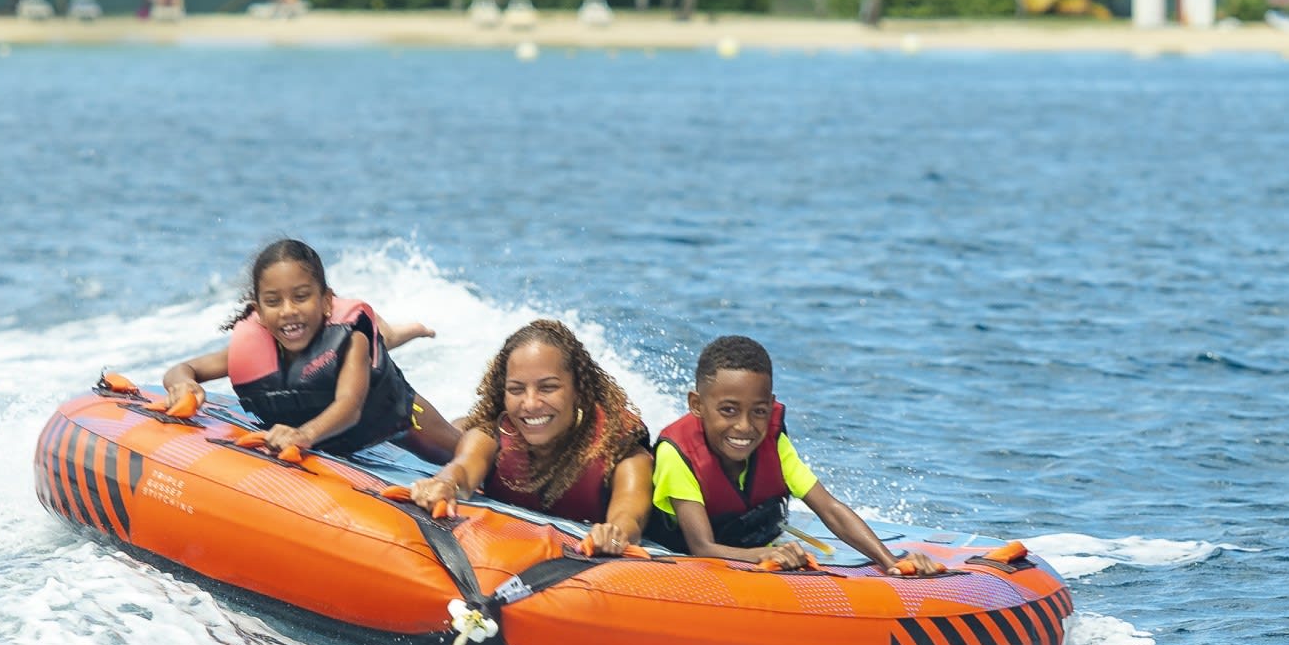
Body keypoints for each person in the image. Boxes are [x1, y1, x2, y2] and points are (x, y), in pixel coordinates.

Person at [141, 238, 460, 462]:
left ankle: (407, 331)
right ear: (259, 312)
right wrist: (183, 384)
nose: (288, 310)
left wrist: (303, 434)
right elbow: (184, 369)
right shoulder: (255, 348)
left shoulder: (350, 338)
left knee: (459, 452)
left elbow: (349, 405)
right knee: (380, 336)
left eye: (301, 296)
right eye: (273, 301)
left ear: (326, 302)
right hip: (332, 416)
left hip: (393, 414)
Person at [642, 334, 935, 574]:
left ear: (771, 406)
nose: (744, 426)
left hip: (749, 537)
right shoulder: (676, 454)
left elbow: (830, 509)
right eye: (728, 410)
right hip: (689, 552)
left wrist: (891, 562)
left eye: (758, 412)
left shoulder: (772, 442)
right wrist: (765, 556)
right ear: (697, 405)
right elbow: (702, 547)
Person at [408, 319, 655, 549]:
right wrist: (445, 483)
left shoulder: (622, 451)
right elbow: (462, 467)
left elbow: (629, 514)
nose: (530, 403)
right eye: (516, 390)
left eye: (548, 387)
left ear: (579, 390)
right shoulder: (493, 432)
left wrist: (615, 533)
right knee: (460, 434)